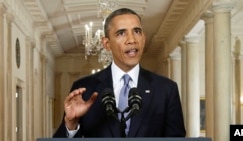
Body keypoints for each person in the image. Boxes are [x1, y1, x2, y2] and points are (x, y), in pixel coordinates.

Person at [53, 8, 186, 138]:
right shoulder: (84, 89)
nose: (131, 39)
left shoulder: (166, 89)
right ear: (106, 44)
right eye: (121, 33)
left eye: (137, 31)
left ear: (144, 39)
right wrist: (70, 124)